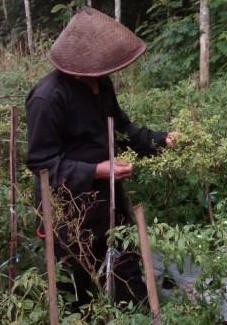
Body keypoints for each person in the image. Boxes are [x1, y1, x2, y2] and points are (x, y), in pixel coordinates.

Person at [25, 7, 176, 307]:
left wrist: (160, 140)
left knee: (126, 276)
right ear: (80, 64)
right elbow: (41, 163)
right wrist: (95, 170)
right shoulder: (48, 98)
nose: (108, 71)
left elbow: (121, 128)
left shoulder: (101, 85)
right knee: (78, 290)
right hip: (69, 212)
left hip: (109, 203)